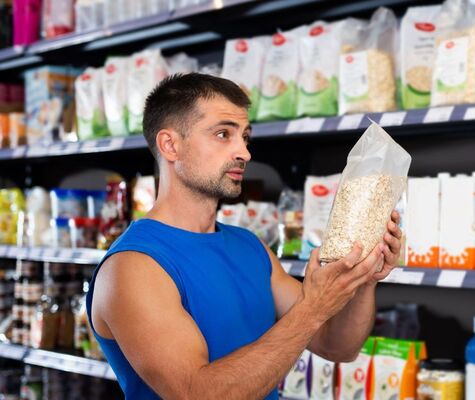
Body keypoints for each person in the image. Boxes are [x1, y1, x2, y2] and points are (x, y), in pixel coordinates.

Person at [86, 73, 402, 399]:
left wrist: (365, 279)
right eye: (223, 134)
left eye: (245, 137)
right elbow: (198, 394)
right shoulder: (133, 266)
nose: (245, 153)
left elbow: (337, 346)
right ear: (170, 145)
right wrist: (312, 308)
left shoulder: (249, 247)